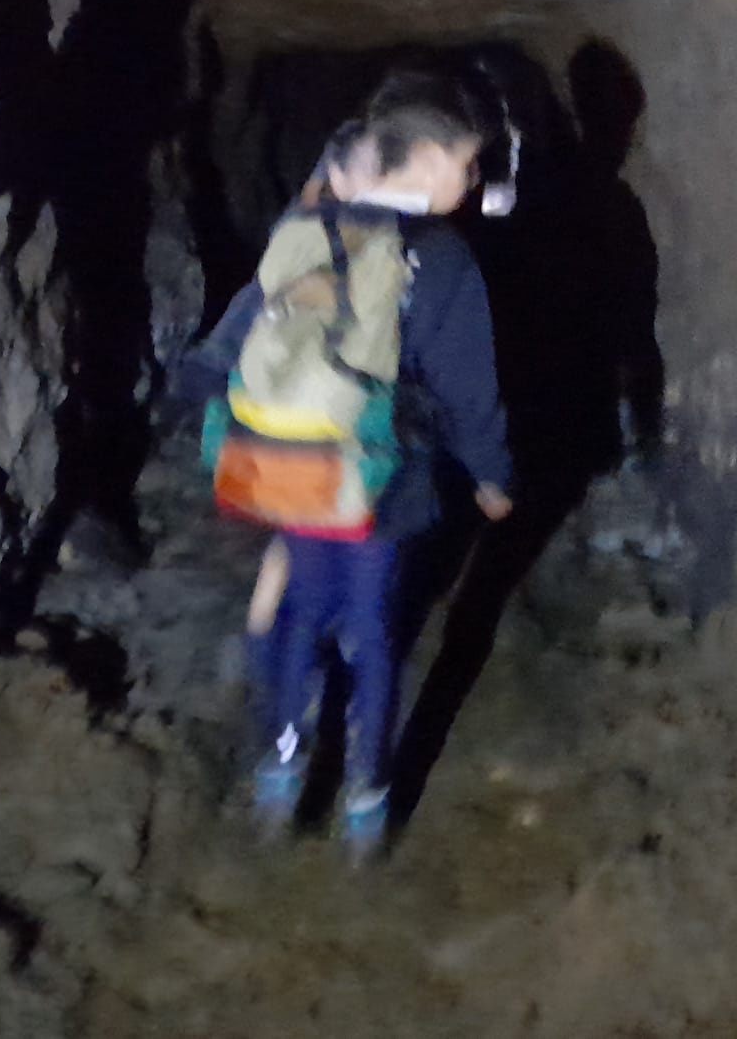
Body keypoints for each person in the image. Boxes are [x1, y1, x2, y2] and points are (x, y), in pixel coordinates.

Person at [179, 71, 513, 855]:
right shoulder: (441, 258)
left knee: (302, 610)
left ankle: (280, 770)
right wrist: (492, 475)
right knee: (370, 627)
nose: (471, 182)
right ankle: (367, 799)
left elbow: (245, 322)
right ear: (426, 160)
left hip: (292, 466)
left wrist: (202, 395)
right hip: (376, 479)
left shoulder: (309, 227)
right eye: (466, 165)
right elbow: (468, 388)